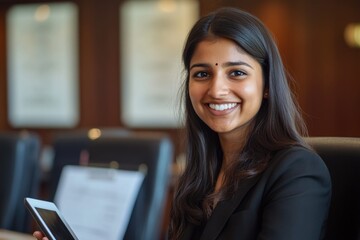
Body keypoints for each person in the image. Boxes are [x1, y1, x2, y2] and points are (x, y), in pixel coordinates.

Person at [33, 6, 331, 240]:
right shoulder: (200, 171)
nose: (216, 90)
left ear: (267, 85)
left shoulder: (298, 171)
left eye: (237, 73)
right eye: (202, 74)